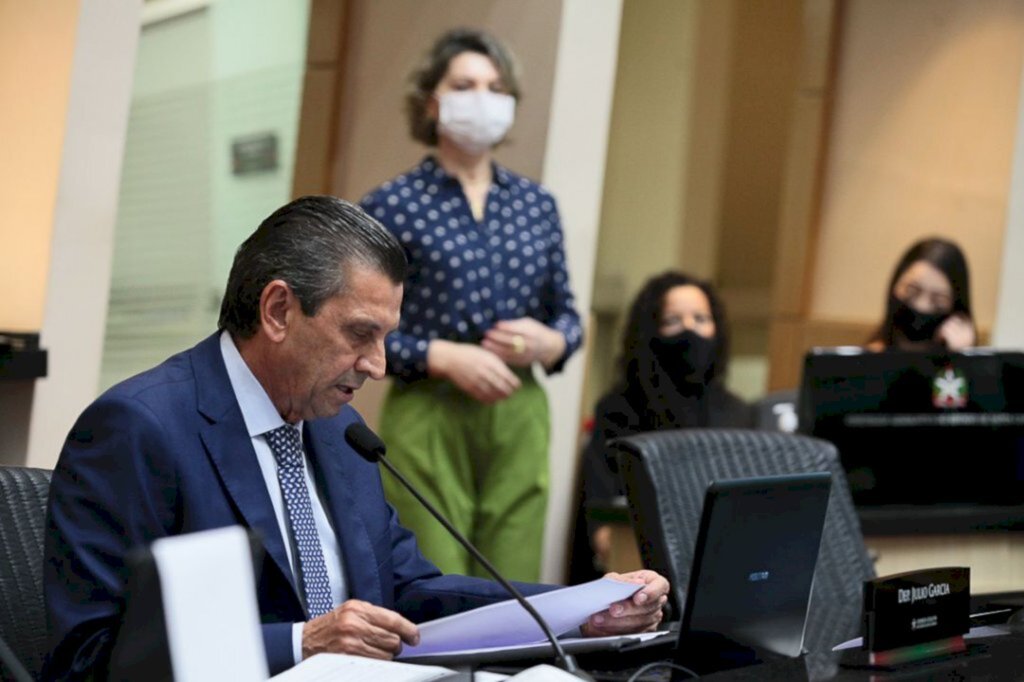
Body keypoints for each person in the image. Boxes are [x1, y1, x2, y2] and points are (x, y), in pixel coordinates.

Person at [43, 196, 668, 679]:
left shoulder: (339, 428)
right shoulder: (140, 428)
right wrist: (301, 642)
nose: (377, 364)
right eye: (360, 334)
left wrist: (581, 606)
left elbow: (409, 591)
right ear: (279, 310)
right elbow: (92, 656)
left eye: (387, 338)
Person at [359, 29, 583, 582]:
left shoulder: (537, 204)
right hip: (429, 407)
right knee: (435, 582)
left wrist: (549, 341)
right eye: (465, 84)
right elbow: (361, 326)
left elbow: (569, 316)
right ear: (432, 101)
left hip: (519, 408)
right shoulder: (391, 205)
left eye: (494, 86)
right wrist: (441, 356)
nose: (482, 96)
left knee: (515, 584)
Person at [579, 271, 755, 571]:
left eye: (701, 319)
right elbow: (602, 521)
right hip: (636, 569)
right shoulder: (618, 410)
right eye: (673, 321)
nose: (690, 331)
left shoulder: (737, 413)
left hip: (721, 566)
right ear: (650, 331)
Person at [866, 237, 976, 351]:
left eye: (937, 301)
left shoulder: (963, 359)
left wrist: (961, 357)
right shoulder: (867, 359)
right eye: (911, 291)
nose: (921, 305)